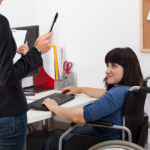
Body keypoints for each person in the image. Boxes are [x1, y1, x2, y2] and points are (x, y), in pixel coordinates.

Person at [41, 47, 144, 150]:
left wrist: (54, 107)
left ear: (127, 69)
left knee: (54, 140)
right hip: (120, 137)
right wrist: (80, 90)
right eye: (107, 65)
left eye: (113, 66)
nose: (107, 70)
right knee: (74, 131)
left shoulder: (117, 93)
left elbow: (78, 117)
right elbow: (106, 94)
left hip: (108, 143)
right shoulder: (132, 89)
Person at [0, 0, 53, 149]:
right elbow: (6, 77)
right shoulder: (1, 23)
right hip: (7, 114)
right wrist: (36, 52)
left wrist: (25, 58)